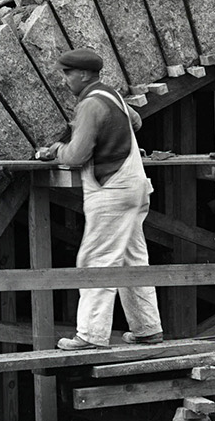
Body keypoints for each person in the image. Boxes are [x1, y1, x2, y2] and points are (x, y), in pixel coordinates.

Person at [34, 48, 165, 349]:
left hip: (111, 192)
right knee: (133, 260)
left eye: (67, 74)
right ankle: (148, 329)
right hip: (135, 187)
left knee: (96, 259)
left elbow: (78, 155)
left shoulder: (90, 104)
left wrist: (55, 151)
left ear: (83, 74)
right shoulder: (113, 95)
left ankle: (91, 336)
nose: (65, 80)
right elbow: (135, 123)